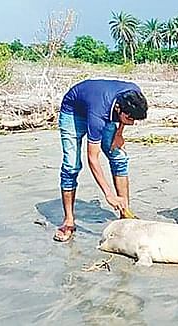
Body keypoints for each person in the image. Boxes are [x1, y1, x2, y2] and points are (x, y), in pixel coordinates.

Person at [53, 79, 148, 242]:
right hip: (73, 112)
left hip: (102, 109)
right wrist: (108, 194)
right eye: (130, 119)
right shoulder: (99, 115)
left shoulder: (134, 94)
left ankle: (124, 213)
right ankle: (69, 220)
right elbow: (93, 158)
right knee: (71, 166)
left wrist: (119, 133)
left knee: (119, 157)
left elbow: (125, 118)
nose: (132, 123)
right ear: (119, 109)